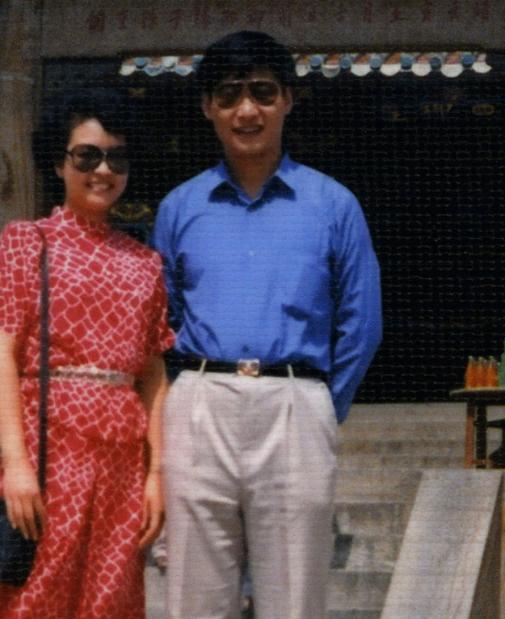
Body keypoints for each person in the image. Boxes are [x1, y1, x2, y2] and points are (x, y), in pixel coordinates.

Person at [151, 31, 383, 618]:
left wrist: (321, 405)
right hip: (199, 401)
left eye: (261, 91)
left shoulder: (333, 205)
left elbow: (361, 323)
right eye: (229, 95)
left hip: (295, 401)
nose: (246, 110)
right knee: (194, 597)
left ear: (288, 99)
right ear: (207, 107)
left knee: (293, 596)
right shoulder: (180, 208)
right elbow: (162, 319)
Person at [0, 89, 173, 619]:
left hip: (122, 459)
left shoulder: (145, 263)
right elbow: (1, 352)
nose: (102, 169)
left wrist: (157, 473)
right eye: (87, 156)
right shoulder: (28, 241)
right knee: (34, 595)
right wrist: (15, 462)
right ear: (59, 163)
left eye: (117, 157)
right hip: (47, 449)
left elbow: (153, 373)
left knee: (110, 600)